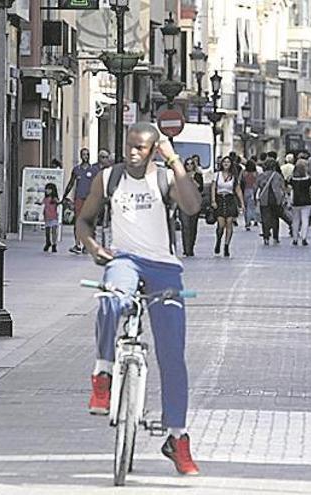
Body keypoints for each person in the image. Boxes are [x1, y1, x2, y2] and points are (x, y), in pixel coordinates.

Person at [75, 122, 202, 476]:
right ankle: (102, 373)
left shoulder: (163, 179)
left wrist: (173, 160)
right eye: (129, 145)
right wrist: (94, 248)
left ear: (152, 150)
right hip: (125, 261)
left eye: (141, 148)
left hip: (164, 268)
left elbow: (192, 207)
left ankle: (177, 438)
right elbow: (83, 221)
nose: (133, 152)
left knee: (172, 353)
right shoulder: (108, 178)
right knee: (111, 297)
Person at [62, 148, 97, 254]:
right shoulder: (77, 169)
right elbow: (71, 183)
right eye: (83, 154)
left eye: (87, 154)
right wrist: (64, 196)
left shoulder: (94, 170)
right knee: (78, 221)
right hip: (79, 198)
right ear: (80, 156)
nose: (85, 156)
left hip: (90, 199)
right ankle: (77, 244)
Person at [210, 157, 245, 257]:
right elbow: (213, 188)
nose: (226, 164)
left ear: (231, 164)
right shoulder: (217, 175)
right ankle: (218, 240)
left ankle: (226, 246)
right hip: (220, 199)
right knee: (221, 224)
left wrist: (242, 203)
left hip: (230, 199)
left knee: (229, 222)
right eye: (224, 162)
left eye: (228, 162)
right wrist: (213, 200)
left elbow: (238, 190)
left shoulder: (234, 176)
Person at [179, 157, 204, 257]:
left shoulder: (198, 175)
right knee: (185, 226)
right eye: (187, 164)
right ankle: (186, 249)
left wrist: (192, 179)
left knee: (193, 226)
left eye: (191, 164)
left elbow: (200, 188)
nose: (189, 166)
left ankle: (191, 247)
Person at [257, 159, 286, 245]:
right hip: (276, 199)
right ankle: (275, 237)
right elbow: (282, 187)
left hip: (264, 199)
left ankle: (266, 237)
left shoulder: (262, 175)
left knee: (265, 219)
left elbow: (258, 185)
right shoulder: (277, 175)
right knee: (275, 218)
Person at [289, 159, 311, 246]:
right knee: (305, 220)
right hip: (306, 202)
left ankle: (295, 238)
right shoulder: (308, 179)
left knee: (295, 220)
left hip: (295, 202)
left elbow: (289, 186)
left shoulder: (293, 179)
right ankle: (304, 237)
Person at [241, 160, 260, 230]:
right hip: (253, 190)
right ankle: (253, 220)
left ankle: (247, 222)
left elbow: (240, 181)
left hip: (245, 190)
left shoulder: (244, 173)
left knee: (246, 207)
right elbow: (258, 183)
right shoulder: (255, 173)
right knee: (251, 207)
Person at [42, 183, 60, 253]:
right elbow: (42, 203)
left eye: (49, 189)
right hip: (47, 217)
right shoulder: (45, 198)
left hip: (53, 217)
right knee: (47, 232)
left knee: (54, 231)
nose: (47, 191)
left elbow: (58, 202)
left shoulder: (54, 199)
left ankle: (54, 244)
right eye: (46, 189)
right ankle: (48, 242)